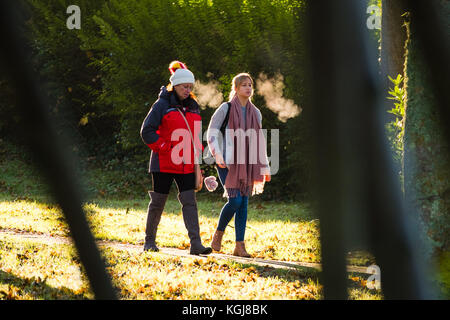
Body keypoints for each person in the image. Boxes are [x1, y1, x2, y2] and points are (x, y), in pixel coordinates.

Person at [140, 61, 212, 255]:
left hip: (187, 164)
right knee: (158, 202)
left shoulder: (194, 106)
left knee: (190, 202)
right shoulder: (162, 105)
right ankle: (149, 241)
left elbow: (196, 136)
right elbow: (146, 131)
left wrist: (199, 160)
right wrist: (164, 146)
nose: (187, 90)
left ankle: (195, 244)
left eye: (190, 87)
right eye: (184, 87)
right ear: (175, 86)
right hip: (163, 162)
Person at [207, 73, 270, 257]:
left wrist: (264, 165)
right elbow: (211, 132)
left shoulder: (256, 112)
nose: (248, 88)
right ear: (235, 88)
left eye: (250, 85)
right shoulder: (225, 109)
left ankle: (239, 246)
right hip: (226, 162)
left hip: (247, 163)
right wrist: (217, 154)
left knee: (244, 203)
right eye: (244, 85)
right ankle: (218, 234)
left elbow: (259, 140)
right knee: (235, 200)